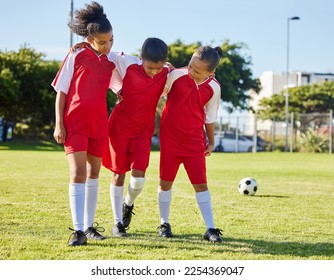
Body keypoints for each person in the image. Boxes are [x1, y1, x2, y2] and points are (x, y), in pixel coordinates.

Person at [52, 1, 121, 246]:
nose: (107, 45)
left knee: (94, 173)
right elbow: (61, 90)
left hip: (99, 124)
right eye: (102, 42)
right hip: (75, 123)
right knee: (78, 172)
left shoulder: (111, 61)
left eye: (111, 40)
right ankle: (78, 230)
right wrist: (59, 124)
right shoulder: (76, 53)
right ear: (90, 38)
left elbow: (121, 85)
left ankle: (90, 227)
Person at [102, 38, 169, 237]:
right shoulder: (128, 63)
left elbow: (187, 72)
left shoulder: (167, 72)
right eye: (150, 67)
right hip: (119, 127)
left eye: (159, 68)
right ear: (141, 59)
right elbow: (105, 54)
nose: (154, 72)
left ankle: (128, 204)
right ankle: (117, 223)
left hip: (143, 131)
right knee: (118, 173)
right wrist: (82, 46)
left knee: (138, 179)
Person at [157, 46, 223, 243]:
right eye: (190, 66)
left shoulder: (214, 87)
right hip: (170, 139)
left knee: (201, 184)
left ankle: (210, 228)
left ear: (210, 73)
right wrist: (162, 70)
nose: (191, 71)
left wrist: (210, 142)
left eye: (197, 71)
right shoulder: (176, 75)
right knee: (165, 182)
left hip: (194, 142)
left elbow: (209, 118)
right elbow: (157, 91)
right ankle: (164, 223)